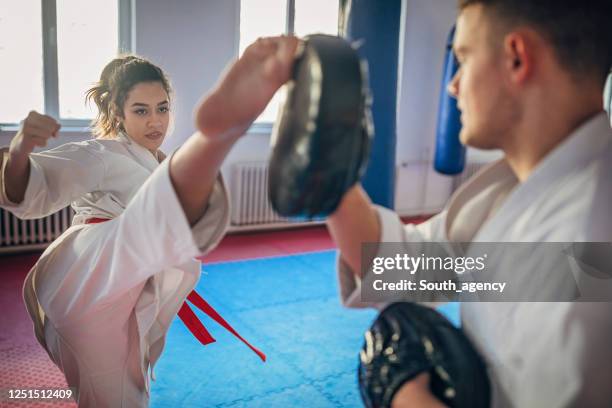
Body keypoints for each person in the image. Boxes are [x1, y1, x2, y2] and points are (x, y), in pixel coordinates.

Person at [325, 1, 612, 407]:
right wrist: (329, 172)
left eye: (463, 58)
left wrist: (405, 396)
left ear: (516, 57)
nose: (453, 84)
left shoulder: (589, 241)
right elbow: (412, 263)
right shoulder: (516, 185)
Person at [0, 38, 297, 407]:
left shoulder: (155, 159)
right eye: (140, 111)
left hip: (126, 285)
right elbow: (37, 182)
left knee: (130, 390)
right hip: (93, 271)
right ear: (117, 112)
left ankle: (211, 143)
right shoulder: (102, 152)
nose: (155, 120)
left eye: (162, 108)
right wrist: (19, 151)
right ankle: (216, 134)